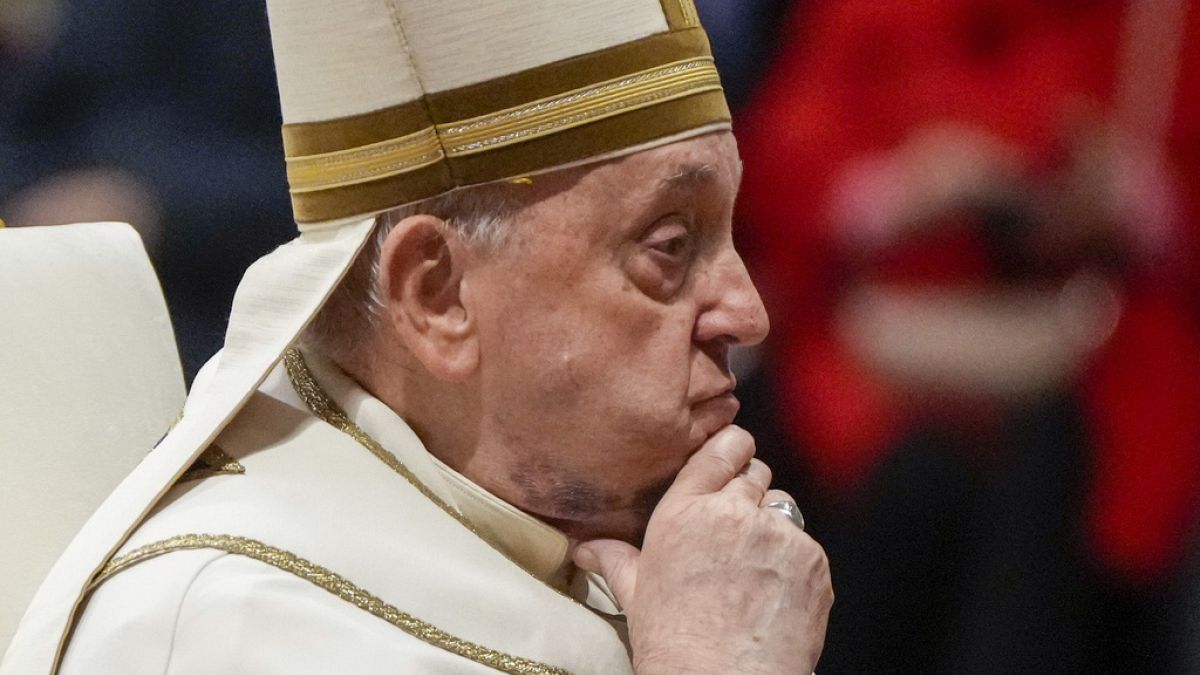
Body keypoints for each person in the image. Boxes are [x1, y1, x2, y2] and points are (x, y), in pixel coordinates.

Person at [0, 0, 833, 673]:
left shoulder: (626, 550)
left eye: (730, 235)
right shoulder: (233, 630)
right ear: (437, 295)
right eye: (670, 247)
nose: (747, 312)